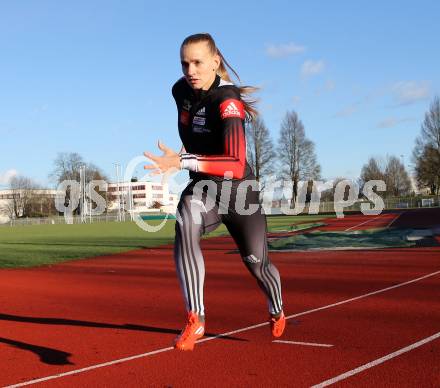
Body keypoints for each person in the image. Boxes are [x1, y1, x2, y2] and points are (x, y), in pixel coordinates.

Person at [144, 33, 285, 351]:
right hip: (205, 189)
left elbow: (235, 164)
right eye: (184, 63)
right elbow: (196, 132)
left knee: (257, 265)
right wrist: (182, 157)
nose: (190, 70)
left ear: (215, 62)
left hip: (240, 194)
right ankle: (197, 317)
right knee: (185, 218)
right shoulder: (180, 91)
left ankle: (276, 308)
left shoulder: (228, 101)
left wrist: (181, 161)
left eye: (197, 62)